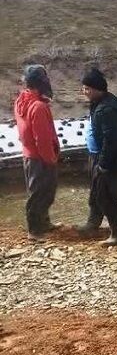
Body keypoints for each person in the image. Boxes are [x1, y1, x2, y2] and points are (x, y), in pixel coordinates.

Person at [76, 68, 117, 245]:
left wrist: (103, 163)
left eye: (87, 88)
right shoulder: (100, 103)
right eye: (83, 88)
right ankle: (92, 224)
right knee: (96, 191)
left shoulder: (106, 109)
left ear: (96, 89)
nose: (84, 92)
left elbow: (111, 140)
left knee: (106, 195)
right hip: (100, 156)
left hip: (111, 160)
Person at [14, 65, 60, 241]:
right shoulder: (38, 106)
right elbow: (42, 138)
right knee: (43, 192)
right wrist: (50, 158)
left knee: (37, 191)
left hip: (29, 155)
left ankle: (43, 222)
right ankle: (34, 230)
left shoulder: (21, 100)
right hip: (40, 156)